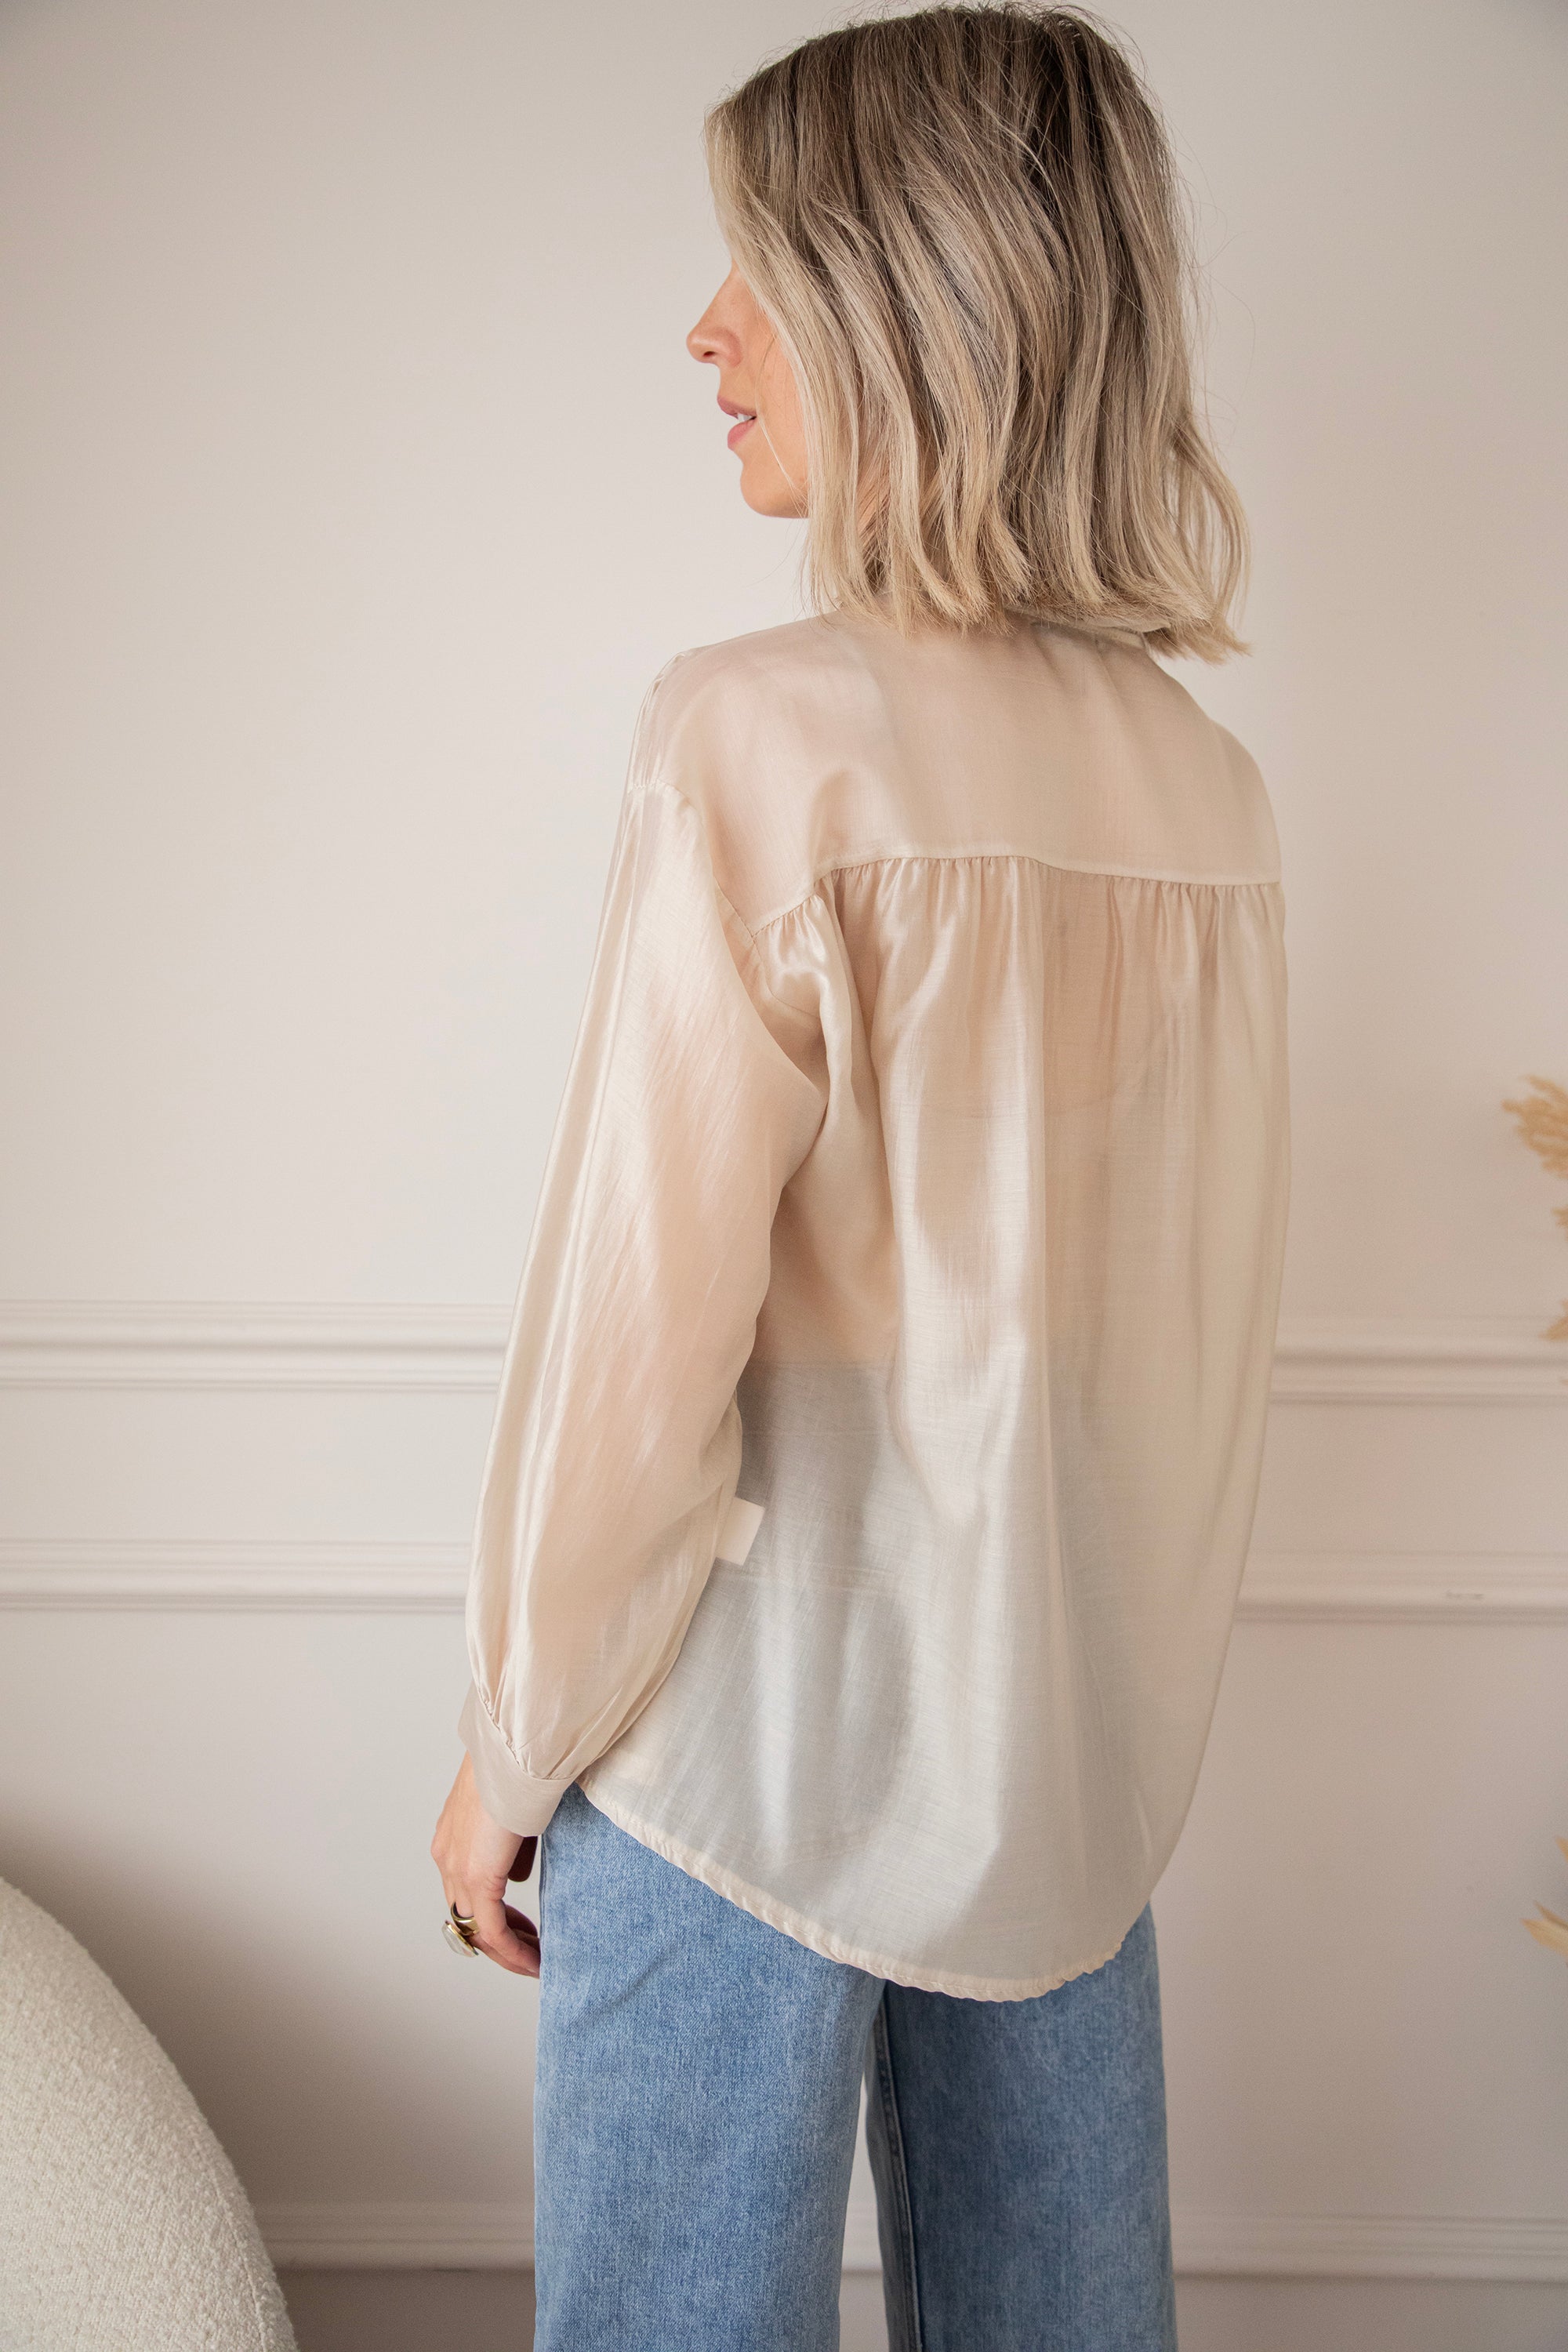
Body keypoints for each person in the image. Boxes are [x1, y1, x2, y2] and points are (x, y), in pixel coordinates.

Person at [431, 6, 1290, 2347]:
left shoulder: (759, 736)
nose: (705, 332)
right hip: (1052, 1753)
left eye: (761, 270)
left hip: (747, 1735)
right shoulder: (1202, 791)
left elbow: (642, 1335)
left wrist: (511, 1748)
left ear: (910, 303)